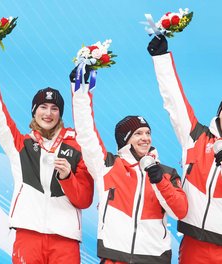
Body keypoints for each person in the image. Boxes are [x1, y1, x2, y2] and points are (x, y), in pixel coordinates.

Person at [148, 36, 222, 264]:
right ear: (219, 113)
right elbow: (174, 102)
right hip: (194, 244)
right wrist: (161, 58)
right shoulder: (197, 137)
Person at [0, 41, 94, 264]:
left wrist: (68, 177)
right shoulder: (21, 145)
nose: (48, 113)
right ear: (34, 111)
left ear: (60, 114)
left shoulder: (77, 146)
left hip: (65, 240)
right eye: (43, 107)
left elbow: (85, 199)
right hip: (28, 236)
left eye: (54, 108)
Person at [71, 70, 188, 264]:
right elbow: (86, 133)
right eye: (138, 133)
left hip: (153, 259)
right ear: (125, 140)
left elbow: (180, 211)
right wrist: (80, 93)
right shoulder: (107, 166)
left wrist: (159, 181)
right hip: (115, 257)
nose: (145, 138)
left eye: (148, 133)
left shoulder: (166, 173)